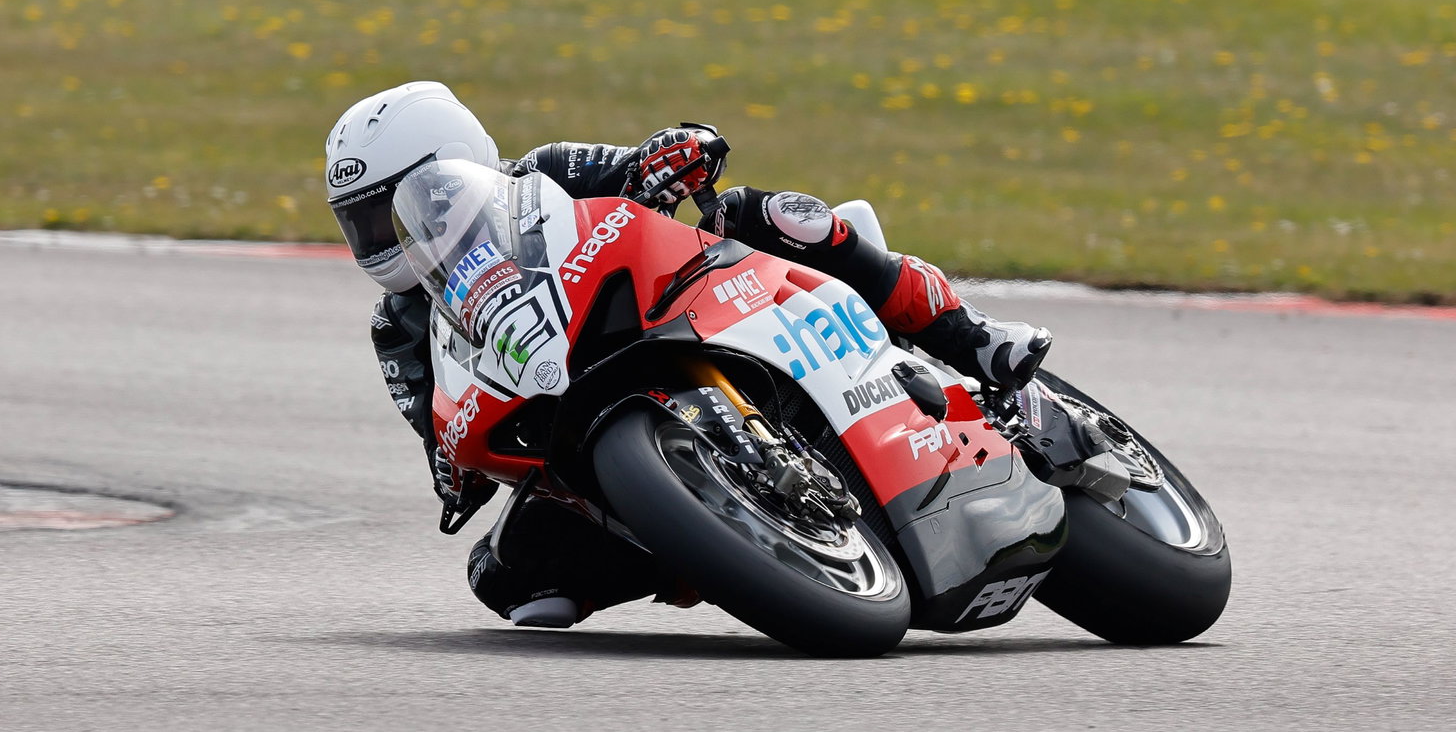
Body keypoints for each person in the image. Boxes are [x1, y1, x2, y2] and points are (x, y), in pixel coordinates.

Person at [324, 81, 1052, 628]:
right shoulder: (397, 327)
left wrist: (667, 160)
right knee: (503, 580)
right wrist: (455, 469)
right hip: (572, 421)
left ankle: (970, 334)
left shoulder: (543, 174)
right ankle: (711, 538)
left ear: (454, 164)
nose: (380, 240)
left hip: (686, 313)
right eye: (359, 224)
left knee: (766, 212)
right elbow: (436, 428)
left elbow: (658, 162)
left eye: (388, 208)